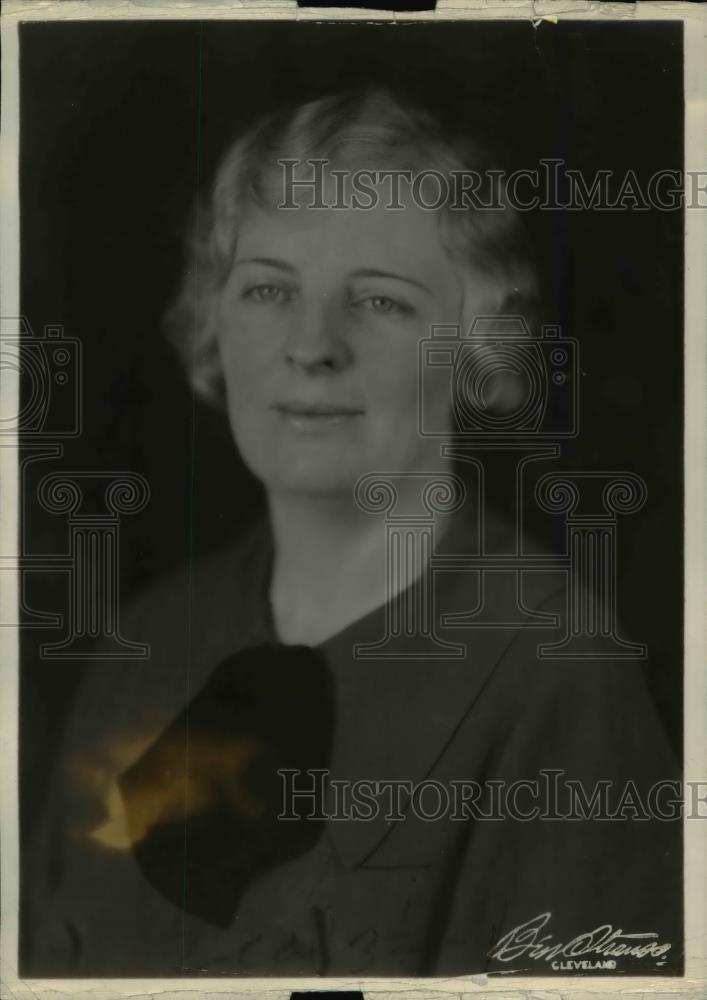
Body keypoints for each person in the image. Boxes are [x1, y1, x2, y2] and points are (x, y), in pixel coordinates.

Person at [22, 87, 682, 978]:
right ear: (211, 319)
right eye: (266, 288)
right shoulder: (146, 641)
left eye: (378, 302)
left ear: (478, 350)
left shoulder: (552, 674)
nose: (312, 345)